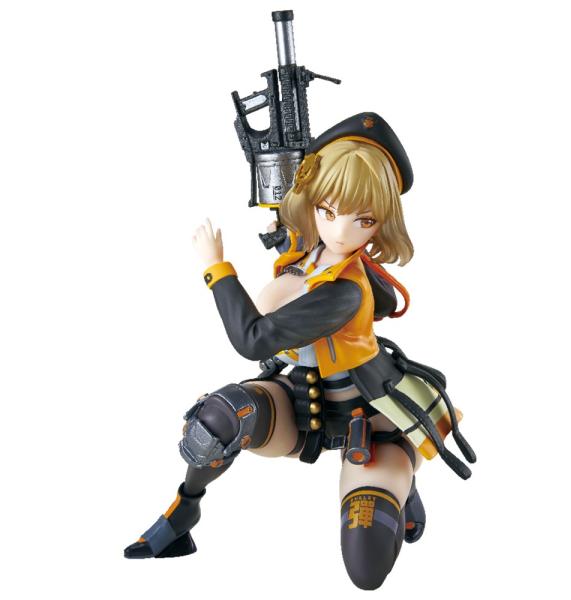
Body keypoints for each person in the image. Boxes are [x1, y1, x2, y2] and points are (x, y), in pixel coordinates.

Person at [123, 112, 475, 590]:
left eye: (363, 220)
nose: (341, 231)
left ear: (380, 222)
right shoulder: (308, 247)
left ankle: (402, 482)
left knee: (366, 562)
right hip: (299, 403)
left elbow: (252, 340)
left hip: (366, 418)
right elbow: (297, 231)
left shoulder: (343, 293)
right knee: (219, 418)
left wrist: (217, 268)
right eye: (328, 211)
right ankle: (184, 509)